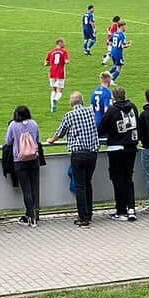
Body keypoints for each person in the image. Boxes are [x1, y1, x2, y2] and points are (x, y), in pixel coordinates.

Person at [54, 92, 100, 225]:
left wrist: (52, 139)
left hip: (78, 154)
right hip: (92, 153)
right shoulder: (91, 112)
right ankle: (89, 213)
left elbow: (60, 133)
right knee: (88, 183)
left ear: (71, 103)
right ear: (82, 101)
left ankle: (83, 217)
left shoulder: (69, 116)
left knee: (80, 186)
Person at [99, 87, 140, 221]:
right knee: (128, 178)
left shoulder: (112, 110)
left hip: (116, 148)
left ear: (114, 97)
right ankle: (131, 208)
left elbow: (101, 128)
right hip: (131, 147)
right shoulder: (133, 107)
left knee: (117, 179)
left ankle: (121, 210)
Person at [4, 105, 44, 226]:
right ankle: (34, 215)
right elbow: (38, 139)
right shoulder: (33, 123)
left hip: (20, 160)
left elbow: (8, 141)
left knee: (26, 190)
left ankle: (31, 217)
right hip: (34, 159)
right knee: (34, 188)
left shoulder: (13, 125)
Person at [45, 38, 70, 113]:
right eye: (63, 43)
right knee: (59, 91)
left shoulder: (51, 52)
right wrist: (65, 61)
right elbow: (67, 61)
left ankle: (52, 107)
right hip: (60, 73)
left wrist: (51, 63)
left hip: (52, 72)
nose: (64, 44)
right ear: (59, 43)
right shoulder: (64, 52)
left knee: (53, 90)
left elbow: (46, 63)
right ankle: (55, 100)